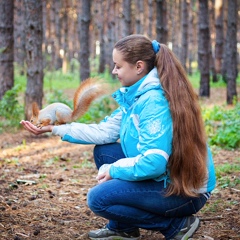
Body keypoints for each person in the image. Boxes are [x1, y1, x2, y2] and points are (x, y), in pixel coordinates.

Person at [20, 34, 216, 240]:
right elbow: (104, 132)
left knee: (99, 199)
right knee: (104, 151)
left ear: (139, 67)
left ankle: (175, 225)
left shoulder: (153, 102)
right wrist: (53, 129)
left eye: (118, 66)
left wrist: (113, 170)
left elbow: (155, 162)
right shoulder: (136, 96)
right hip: (168, 175)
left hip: (186, 192)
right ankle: (124, 227)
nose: (114, 72)